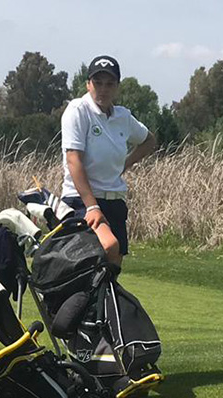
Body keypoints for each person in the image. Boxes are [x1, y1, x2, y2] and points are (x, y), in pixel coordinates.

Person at [61, 54, 158, 264]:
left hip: (114, 200)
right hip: (82, 201)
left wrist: (125, 163)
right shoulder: (78, 110)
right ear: (88, 84)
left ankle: (104, 299)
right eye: (97, 82)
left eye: (109, 83)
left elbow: (149, 141)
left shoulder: (122, 117)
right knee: (108, 247)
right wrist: (92, 207)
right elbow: (73, 160)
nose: (103, 89)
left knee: (113, 268)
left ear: (117, 87)